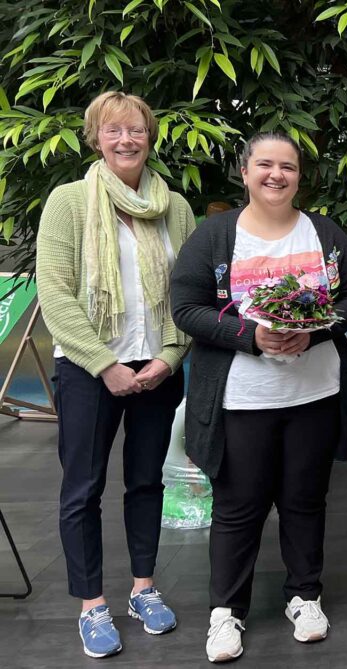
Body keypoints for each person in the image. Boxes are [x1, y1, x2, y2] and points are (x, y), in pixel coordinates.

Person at [169, 132, 347, 662]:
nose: (276, 175)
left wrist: (318, 330)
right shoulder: (216, 235)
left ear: (300, 176)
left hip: (315, 394)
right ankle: (225, 613)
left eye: (288, 166)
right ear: (245, 172)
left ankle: (305, 597)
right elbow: (185, 307)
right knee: (238, 508)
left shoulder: (323, 234)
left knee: (306, 502)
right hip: (242, 399)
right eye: (265, 164)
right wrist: (248, 336)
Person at [36, 91, 194, 659]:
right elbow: (55, 294)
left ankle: (143, 590)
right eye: (113, 131)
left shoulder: (174, 206)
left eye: (137, 131)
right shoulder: (69, 201)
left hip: (156, 365)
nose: (127, 140)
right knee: (83, 488)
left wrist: (168, 357)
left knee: (147, 482)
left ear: (150, 137)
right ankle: (91, 604)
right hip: (87, 369)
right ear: (95, 137)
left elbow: (187, 291)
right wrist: (104, 365)